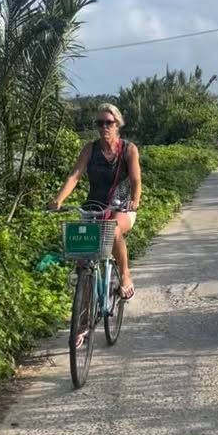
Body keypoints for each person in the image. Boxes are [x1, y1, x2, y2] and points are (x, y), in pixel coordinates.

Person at [49, 103, 141, 301]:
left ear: (117, 125)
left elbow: (135, 180)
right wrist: (58, 199)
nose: (104, 127)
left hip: (121, 206)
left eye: (109, 123)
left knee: (114, 230)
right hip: (94, 206)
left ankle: (125, 275)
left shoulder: (129, 149)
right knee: (83, 257)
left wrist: (134, 200)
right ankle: (82, 313)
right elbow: (74, 176)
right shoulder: (90, 149)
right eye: (100, 123)